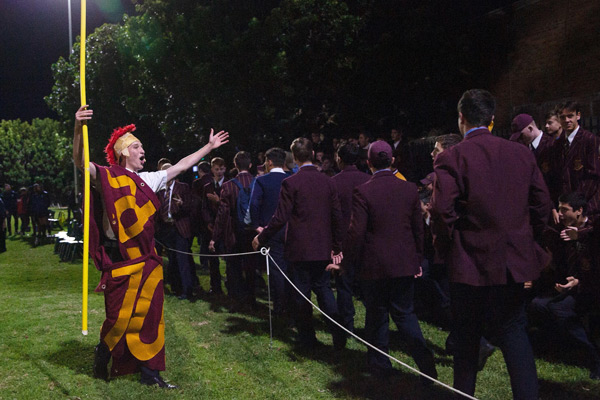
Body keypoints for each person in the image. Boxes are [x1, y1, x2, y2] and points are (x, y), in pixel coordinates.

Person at [73, 105, 228, 388]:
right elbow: (80, 163)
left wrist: (208, 146)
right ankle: (104, 351)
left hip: (147, 259)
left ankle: (151, 372)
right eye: (137, 147)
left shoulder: (149, 179)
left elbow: (181, 165)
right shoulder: (107, 177)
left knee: (151, 316)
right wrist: (77, 127)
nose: (143, 150)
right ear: (123, 152)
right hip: (120, 258)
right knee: (118, 317)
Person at [430, 89, 551, 399]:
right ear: (493, 120)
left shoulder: (453, 156)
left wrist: (445, 249)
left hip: (469, 264)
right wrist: (528, 243)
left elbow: (442, 212)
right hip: (512, 263)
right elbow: (541, 204)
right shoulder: (521, 153)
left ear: (461, 118)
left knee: (467, 338)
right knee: (514, 332)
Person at [329, 140, 437, 382]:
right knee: (405, 315)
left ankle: (379, 365)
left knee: (376, 314)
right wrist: (417, 259)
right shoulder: (409, 189)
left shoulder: (365, 191)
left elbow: (356, 233)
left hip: (374, 266)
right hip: (403, 264)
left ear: (368, 163)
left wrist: (346, 262)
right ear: (392, 161)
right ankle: (426, 364)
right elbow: (417, 229)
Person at [252, 137, 345, 350]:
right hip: (322, 247)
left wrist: (262, 236)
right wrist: (337, 247)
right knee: (324, 291)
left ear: (293, 158)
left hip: (300, 249)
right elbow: (337, 216)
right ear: (312, 154)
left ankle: (308, 339)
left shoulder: (291, 182)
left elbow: (280, 217)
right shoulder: (328, 181)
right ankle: (338, 335)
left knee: (301, 295)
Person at [529, 191, 600, 379]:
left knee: (560, 309)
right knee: (539, 304)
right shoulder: (561, 232)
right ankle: (561, 346)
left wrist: (579, 282)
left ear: (579, 211)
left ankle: (594, 356)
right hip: (573, 288)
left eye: (564, 210)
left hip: (591, 290)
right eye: (559, 209)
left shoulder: (593, 232)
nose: (560, 214)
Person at [330, 142, 371, 335]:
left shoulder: (334, 182)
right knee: (369, 286)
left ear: (339, 158)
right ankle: (374, 325)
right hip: (366, 240)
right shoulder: (368, 180)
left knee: (344, 285)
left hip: (343, 241)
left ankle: (346, 326)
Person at [210, 151, 257, 309]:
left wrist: (214, 237)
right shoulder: (258, 182)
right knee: (251, 267)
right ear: (250, 165)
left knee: (234, 268)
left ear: (235, 165)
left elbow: (222, 214)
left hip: (233, 233)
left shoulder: (228, 185)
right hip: (252, 233)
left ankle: (237, 300)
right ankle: (252, 299)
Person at [249, 147, 291, 316]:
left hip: (271, 231)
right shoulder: (292, 179)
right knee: (291, 269)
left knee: (276, 271)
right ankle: (292, 305)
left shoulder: (262, 181)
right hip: (291, 231)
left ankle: (280, 306)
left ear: (270, 162)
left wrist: (257, 225)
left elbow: (254, 204)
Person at [554, 101, 600, 220]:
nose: (567, 120)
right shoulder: (558, 143)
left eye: (570, 116)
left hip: (585, 203)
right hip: (565, 206)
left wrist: (577, 201)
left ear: (578, 116)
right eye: (562, 117)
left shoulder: (589, 139)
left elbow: (593, 175)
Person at [156, 163, 195, 300]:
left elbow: (191, 207)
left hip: (180, 227)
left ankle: (187, 290)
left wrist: (182, 204)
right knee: (171, 259)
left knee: (182, 260)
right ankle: (176, 287)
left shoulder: (183, 187)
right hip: (165, 229)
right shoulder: (159, 189)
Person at [200, 157, 227, 295]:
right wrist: (209, 223)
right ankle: (215, 287)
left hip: (226, 228)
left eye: (221, 169)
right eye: (216, 169)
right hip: (211, 227)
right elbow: (204, 207)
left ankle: (231, 286)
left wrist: (218, 201)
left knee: (228, 258)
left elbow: (229, 207)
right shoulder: (207, 187)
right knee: (213, 260)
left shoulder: (228, 185)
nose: (219, 172)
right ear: (212, 170)